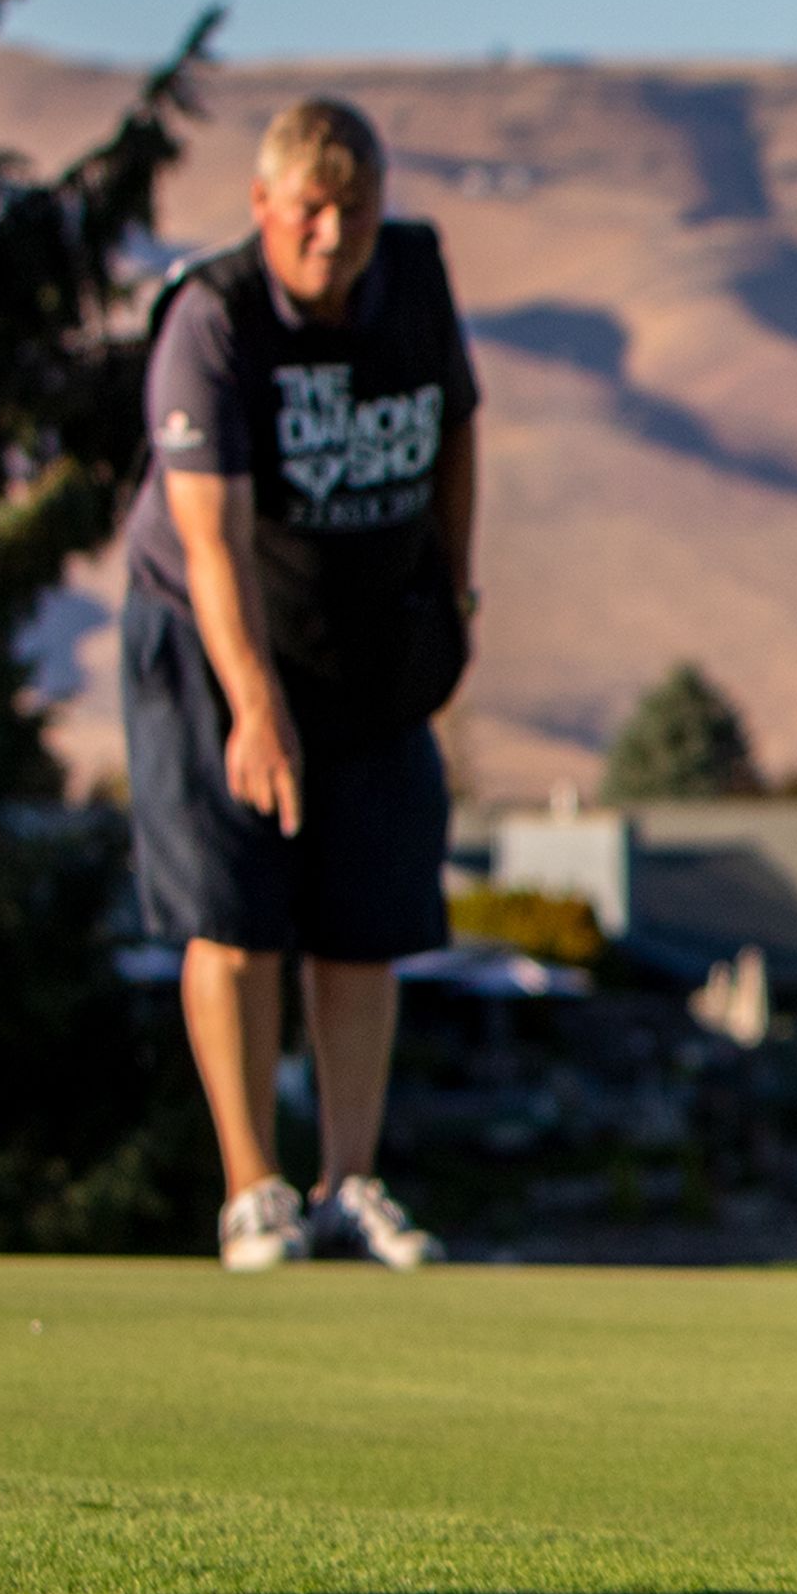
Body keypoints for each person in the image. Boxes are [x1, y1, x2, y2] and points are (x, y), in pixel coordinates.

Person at [121, 97, 479, 1270]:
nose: (336, 234)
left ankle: (351, 1183)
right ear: (265, 207)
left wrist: (452, 589)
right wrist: (255, 705)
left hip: (368, 628)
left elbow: (458, 430)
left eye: (357, 209)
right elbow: (209, 538)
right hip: (213, 637)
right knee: (234, 911)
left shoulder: (414, 279)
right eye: (312, 211)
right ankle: (252, 1189)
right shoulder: (212, 319)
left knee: (364, 918)